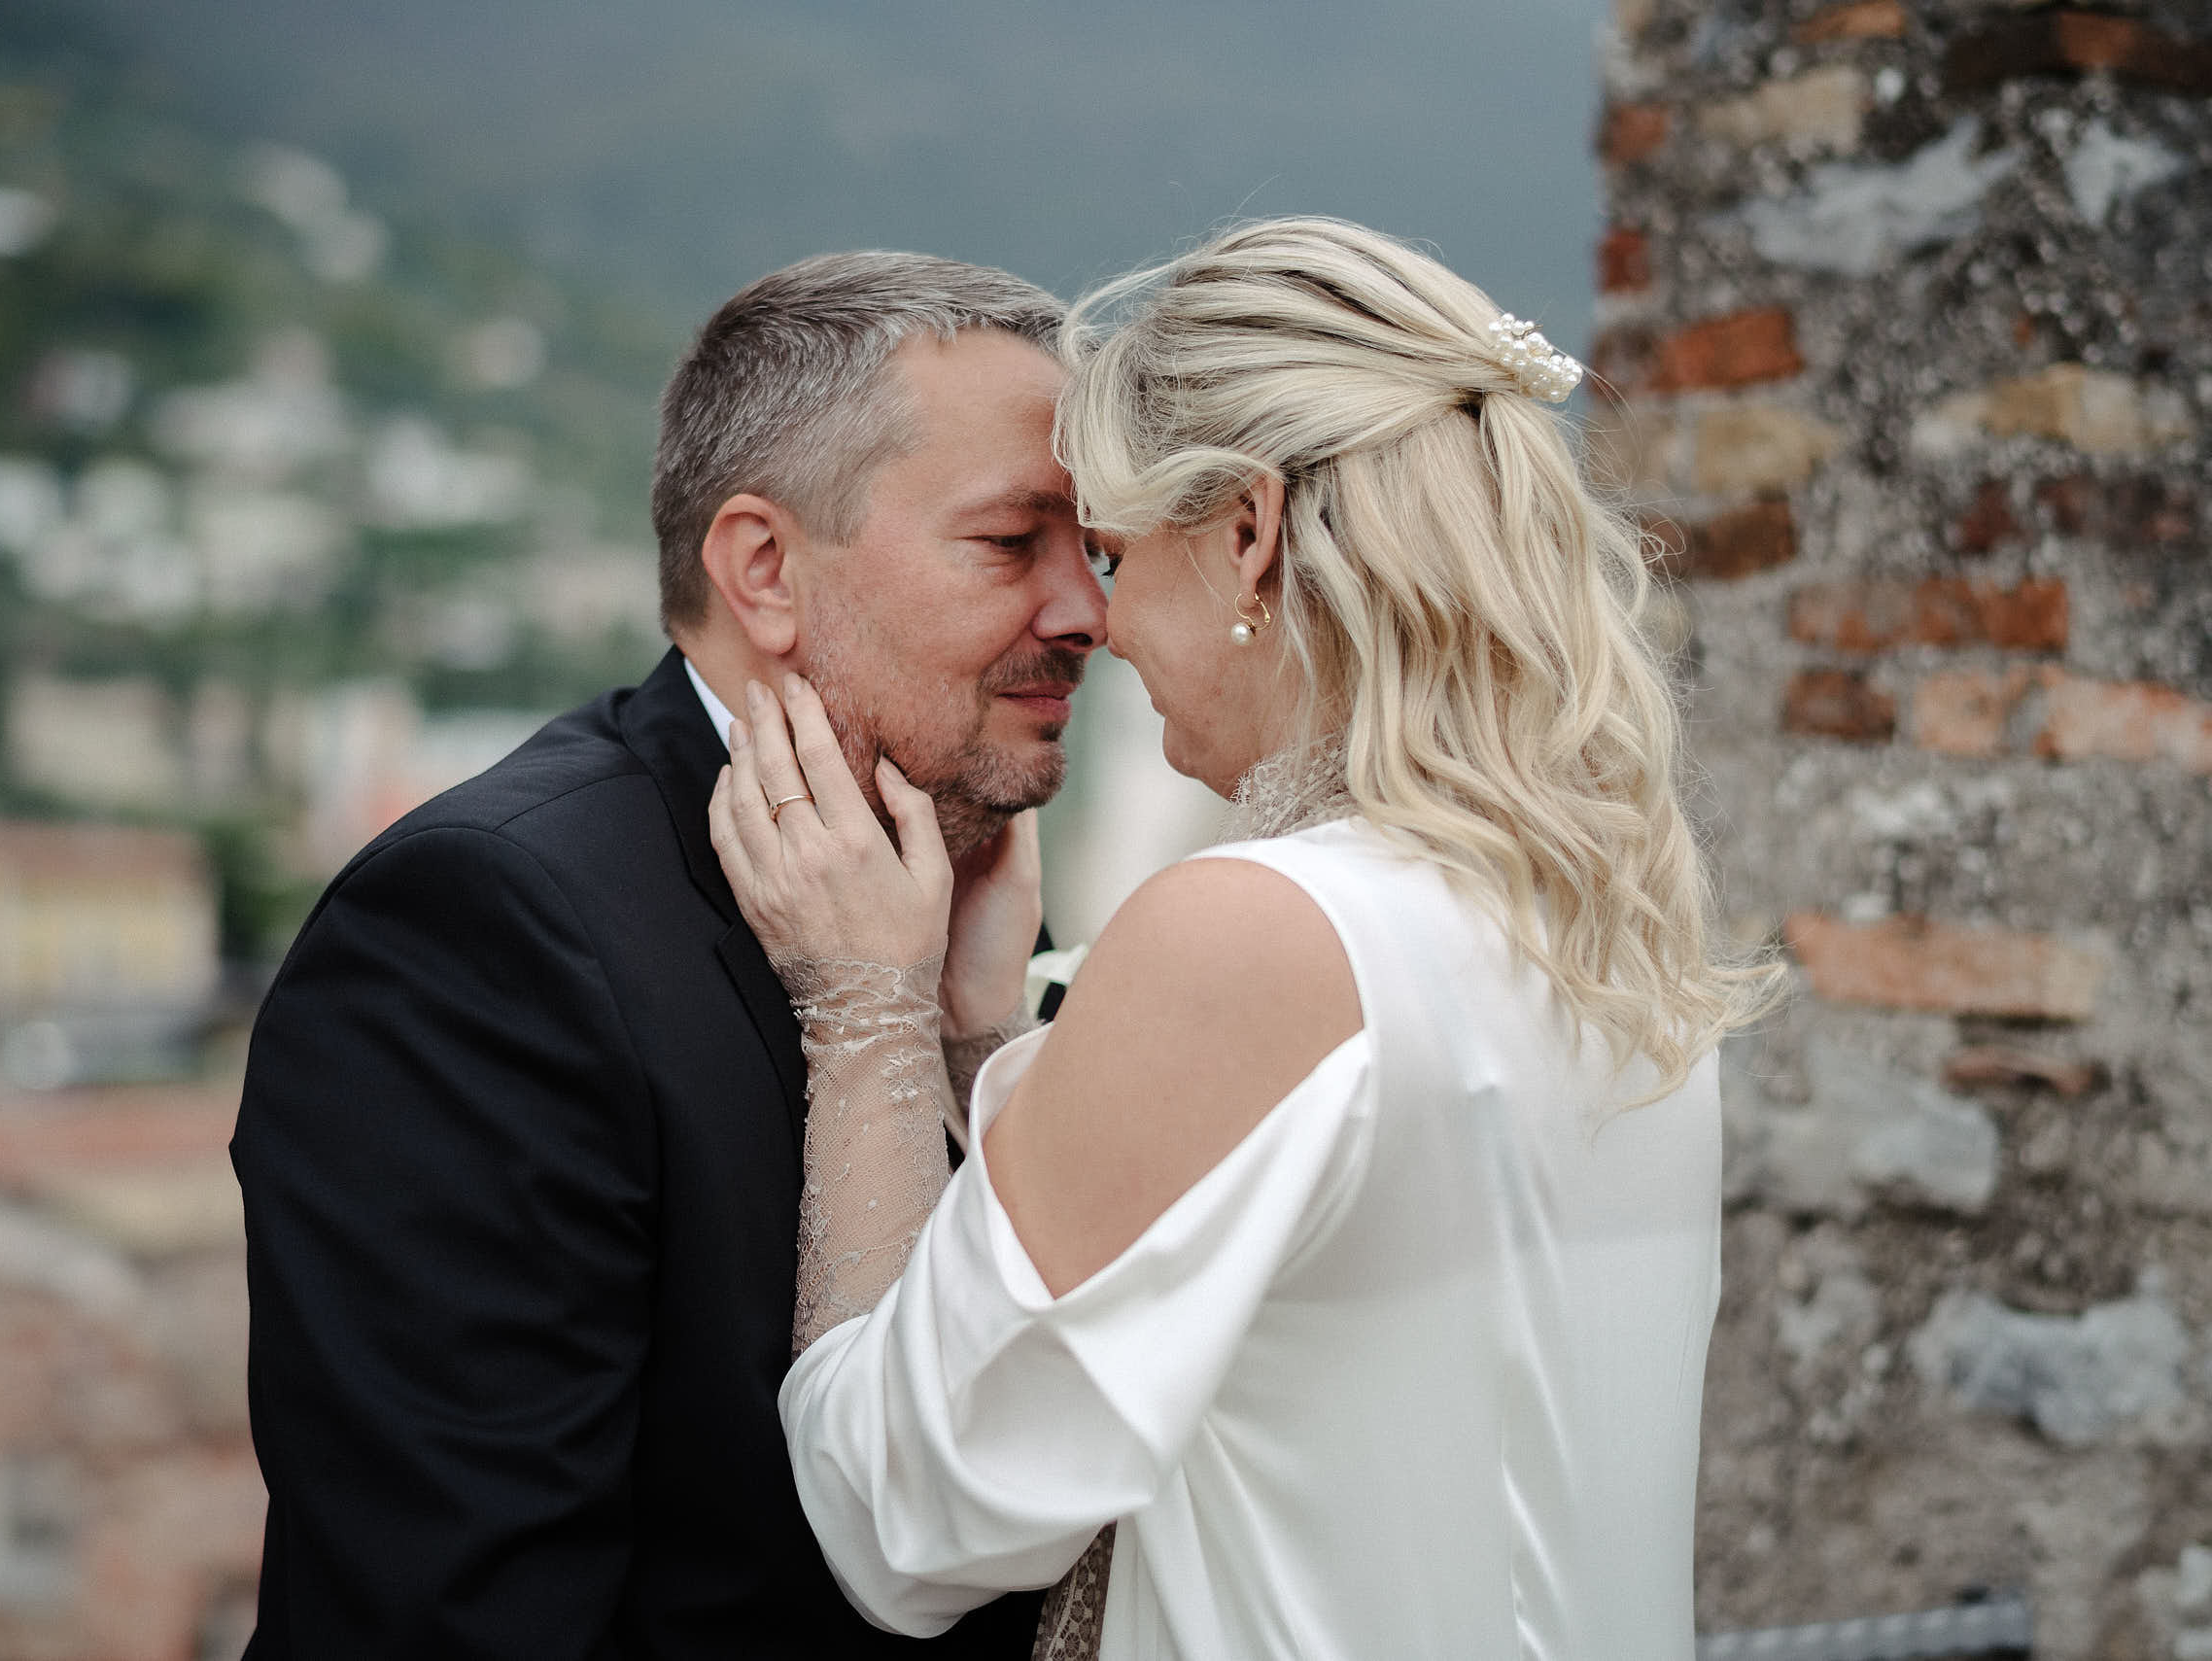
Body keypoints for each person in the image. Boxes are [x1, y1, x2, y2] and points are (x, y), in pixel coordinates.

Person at [711, 218, 1781, 1661]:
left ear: (1247, 534)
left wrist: (866, 1018)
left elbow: (907, 1514)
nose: (1097, 620)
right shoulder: (1592, 931)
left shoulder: (1250, 933)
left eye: (1109, 549)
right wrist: (991, 1041)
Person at [228, 251, 1109, 1659]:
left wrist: (974, 1047)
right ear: (764, 569)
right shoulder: (482, 933)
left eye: (1098, 550)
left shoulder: (960, 889)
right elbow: (452, 1610)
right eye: (1015, 542)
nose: (1088, 612)